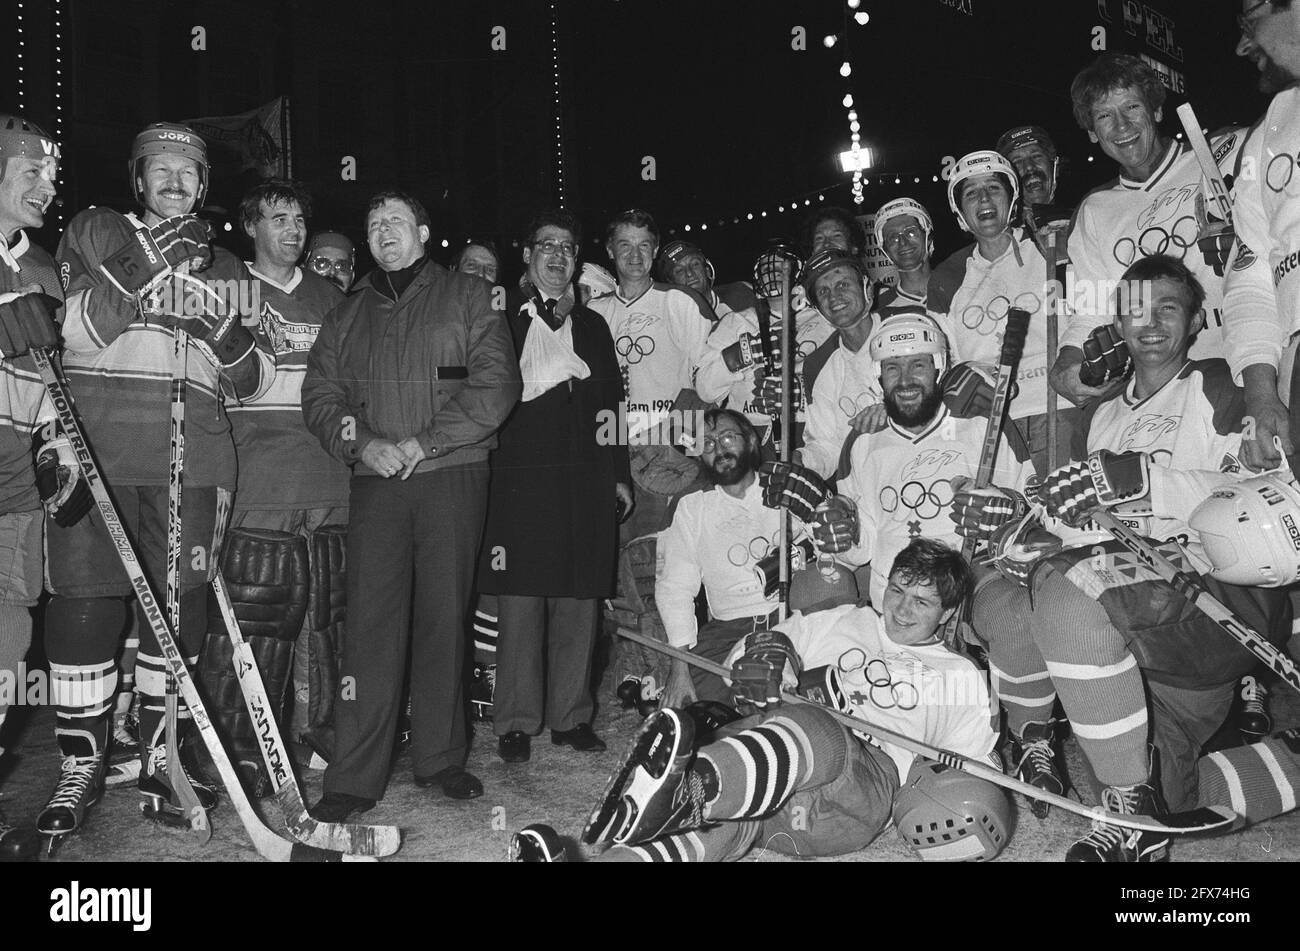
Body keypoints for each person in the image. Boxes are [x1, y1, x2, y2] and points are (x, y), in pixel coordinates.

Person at [957, 255, 1290, 861]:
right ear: (1118, 326)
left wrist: (1142, 478)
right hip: (1135, 614)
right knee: (1004, 582)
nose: (1153, 321)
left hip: (1213, 601)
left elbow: (1272, 494)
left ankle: (1129, 810)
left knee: (1066, 587)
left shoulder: (1218, 386)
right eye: (1137, 309)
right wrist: (1018, 518)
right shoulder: (1105, 412)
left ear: (1194, 321)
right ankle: (1278, 763)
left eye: (1169, 307)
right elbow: (1088, 521)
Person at [42, 122, 270, 846]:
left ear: (205, 187)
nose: (175, 182)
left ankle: (160, 752)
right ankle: (81, 762)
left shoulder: (228, 262)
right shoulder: (97, 230)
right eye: (160, 170)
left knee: (178, 616)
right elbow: (71, 333)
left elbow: (256, 379)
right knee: (85, 607)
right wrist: (140, 271)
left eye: (189, 173)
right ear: (138, 179)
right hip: (101, 450)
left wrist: (220, 333)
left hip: (192, 460)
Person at [301, 189, 521, 821]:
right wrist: (363, 444)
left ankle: (441, 757)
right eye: (373, 224)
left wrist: (426, 442)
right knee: (370, 623)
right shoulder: (348, 313)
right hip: (377, 484)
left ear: (424, 231)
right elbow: (320, 396)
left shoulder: (469, 296)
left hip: (451, 474)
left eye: (395, 220)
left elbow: (497, 385)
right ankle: (353, 774)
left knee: (444, 617)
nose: (383, 231)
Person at [582, 539, 1002, 863]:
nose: (902, 609)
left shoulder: (959, 674)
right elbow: (755, 644)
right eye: (896, 591)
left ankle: (688, 789)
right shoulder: (844, 619)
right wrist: (772, 655)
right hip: (761, 785)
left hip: (852, 798)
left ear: (947, 612)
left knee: (816, 726)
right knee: (717, 828)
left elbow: (979, 762)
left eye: (922, 601)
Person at [202, 180, 348, 785]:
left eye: (299, 219)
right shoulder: (227, 290)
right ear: (250, 227)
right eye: (278, 217)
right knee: (258, 613)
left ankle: (323, 738)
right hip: (257, 481)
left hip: (329, 479)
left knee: (330, 618)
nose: (292, 230)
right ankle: (242, 750)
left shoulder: (334, 299)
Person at [477, 209, 631, 763]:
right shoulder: (500, 317)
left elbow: (610, 402)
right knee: (520, 601)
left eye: (568, 247)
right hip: (520, 478)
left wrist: (618, 474)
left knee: (578, 598)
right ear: (526, 254)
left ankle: (571, 717)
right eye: (547, 245)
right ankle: (515, 721)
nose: (558, 256)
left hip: (586, 477)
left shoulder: (592, 326)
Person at [1049, 53, 1242, 409]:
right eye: (1105, 116)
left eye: (1132, 107)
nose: (1121, 126)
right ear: (1092, 132)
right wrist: (1065, 366)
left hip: (1251, 364)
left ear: (1155, 110)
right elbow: (1090, 310)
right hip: (1167, 394)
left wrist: (1244, 241)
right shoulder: (1094, 210)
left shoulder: (1222, 156)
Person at [815, 313, 1031, 608]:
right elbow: (861, 548)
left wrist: (1006, 510)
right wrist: (845, 533)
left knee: (1006, 617)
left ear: (939, 367)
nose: (905, 381)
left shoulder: (983, 424)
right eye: (892, 368)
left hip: (972, 588)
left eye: (918, 365)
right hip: (894, 604)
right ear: (878, 375)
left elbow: (1031, 508)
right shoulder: (861, 442)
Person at [654, 409, 823, 708]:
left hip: (791, 617)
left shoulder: (785, 486)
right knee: (697, 702)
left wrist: (816, 510)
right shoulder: (692, 507)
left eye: (728, 437)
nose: (718, 449)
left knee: (819, 689)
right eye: (707, 444)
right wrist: (679, 668)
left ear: (751, 442)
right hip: (728, 631)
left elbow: (834, 552)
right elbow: (674, 590)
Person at [0, 114, 65, 860]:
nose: (47, 186)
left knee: (8, 648)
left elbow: (56, 386)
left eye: (52, 175)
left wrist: (61, 449)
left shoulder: (44, 266)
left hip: (19, 495)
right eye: (31, 173)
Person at [934, 150, 1069, 476]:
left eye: (993, 188)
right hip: (991, 425)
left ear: (1011, 196)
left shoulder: (1048, 242)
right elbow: (944, 363)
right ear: (959, 209)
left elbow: (1088, 314)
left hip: (1060, 411)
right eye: (970, 193)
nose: (983, 198)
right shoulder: (947, 276)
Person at [587, 209, 714, 538]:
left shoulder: (681, 301)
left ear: (655, 251)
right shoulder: (593, 313)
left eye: (643, 246)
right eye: (625, 245)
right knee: (623, 566)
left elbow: (713, 382)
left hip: (670, 454)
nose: (634, 255)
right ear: (610, 250)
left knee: (668, 562)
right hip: (613, 449)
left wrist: (677, 437)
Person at [1223, 0, 1300, 476]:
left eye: (1250, 20)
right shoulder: (1268, 130)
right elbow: (1250, 277)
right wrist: (1261, 393)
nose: (1242, 44)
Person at [695, 245, 831, 450]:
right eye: (768, 271)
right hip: (749, 433)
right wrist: (743, 354)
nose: (775, 275)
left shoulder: (825, 319)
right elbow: (705, 389)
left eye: (781, 269)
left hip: (811, 431)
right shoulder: (735, 322)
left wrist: (800, 392)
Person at [657, 239, 756, 320]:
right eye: (679, 271)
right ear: (671, 284)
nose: (689, 273)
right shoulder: (671, 325)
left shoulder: (741, 293)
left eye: (695, 264)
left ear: (707, 271)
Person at [872, 197, 935, 313]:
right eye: (893, 237)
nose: (903, 242)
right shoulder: (878, 309)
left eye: (911, 232)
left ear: (928, 236)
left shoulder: (960, 286)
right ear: (886, 250)